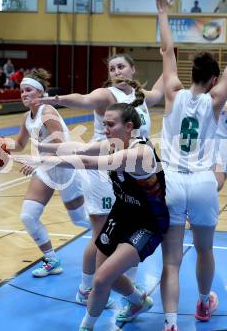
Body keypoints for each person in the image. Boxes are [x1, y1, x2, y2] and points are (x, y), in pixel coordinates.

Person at [13, 101, 170, 331]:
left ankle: (87, 326)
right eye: (104, 123)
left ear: (128, 127)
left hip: (147, 222)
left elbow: (86, 162)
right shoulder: (112, 144)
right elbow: (81, 149)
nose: (105, 128)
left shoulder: (140, 152)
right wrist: (42, 149)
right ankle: (139, 302)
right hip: (122, 214)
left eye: (110, 124)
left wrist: (41, 161)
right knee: (107, 276)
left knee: (101, 279)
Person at [156, 0, 227, 330]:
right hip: (201, 182)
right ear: (213, 80)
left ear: (189, 75)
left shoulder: (171, 92)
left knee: (170, 262)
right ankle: (201, 305)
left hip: (171, 181)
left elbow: (167, 49)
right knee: (205, 250)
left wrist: (163, 12)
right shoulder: (215, 102)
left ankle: (169, 323)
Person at [35, 53, 164, 307]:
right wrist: (55, 99)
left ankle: (124, 284)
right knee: (102, 234)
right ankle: (86, 289)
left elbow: (162, 89)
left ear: (132, 70)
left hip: (123, 170)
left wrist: (169, 57)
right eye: (112, 67)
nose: (116, 70)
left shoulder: (139, 96)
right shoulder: (107, 95)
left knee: (127, 230)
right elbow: (83, 100)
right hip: (100, 169)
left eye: (121, 66)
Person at [8, 68, 89, 278]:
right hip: (45, 169)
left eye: (28, 90)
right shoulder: (27, 117)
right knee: (28, 216)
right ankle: (52, 260)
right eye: (21, 91)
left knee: (80, 220)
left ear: (40, 93)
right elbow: (19, 144)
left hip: (65, 168)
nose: (24, 94)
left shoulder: (48, 113)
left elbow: (63, 148)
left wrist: (37, 161)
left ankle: (116, 238)